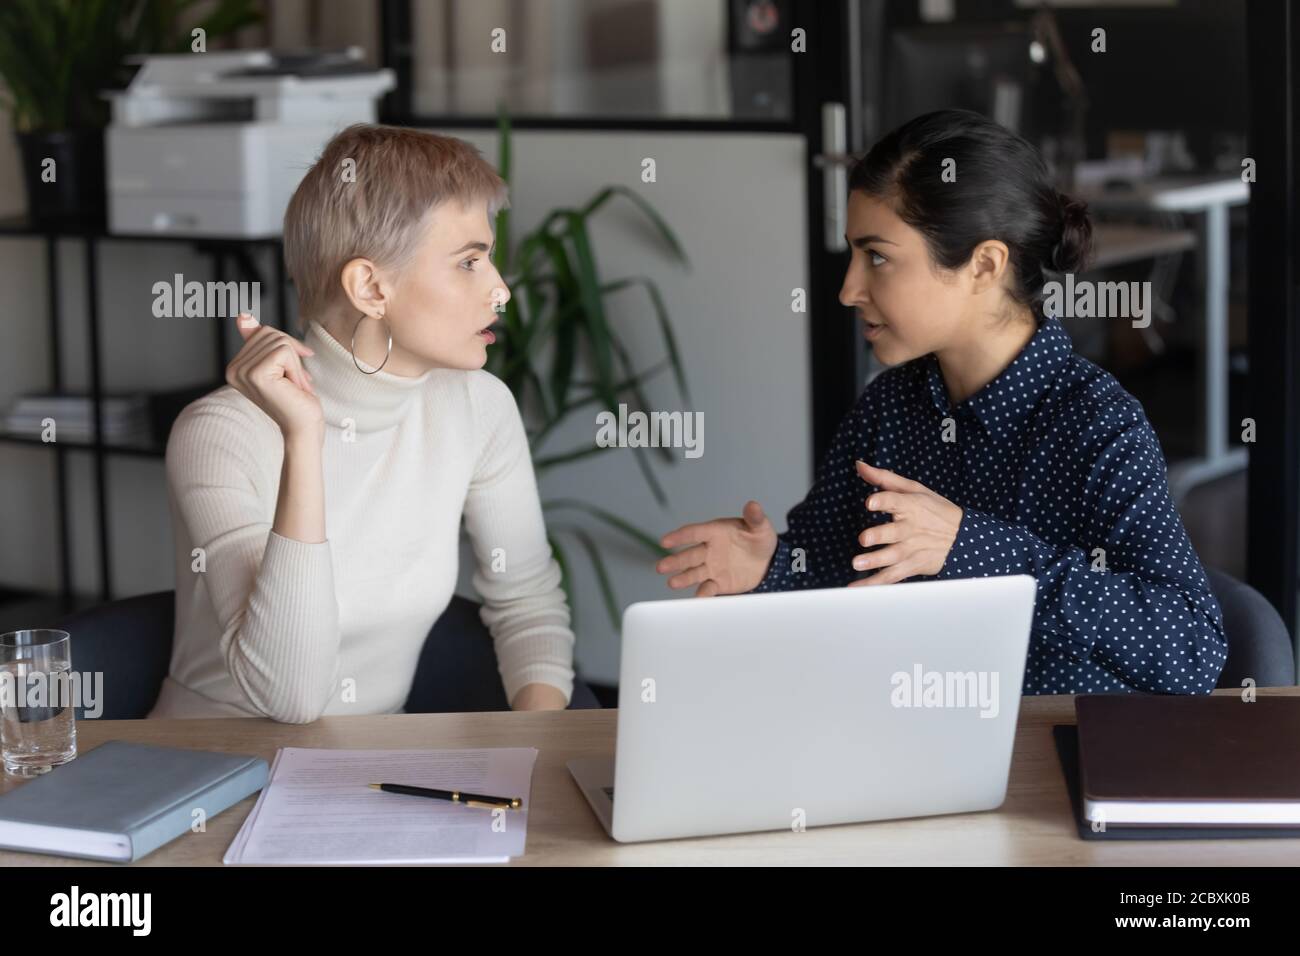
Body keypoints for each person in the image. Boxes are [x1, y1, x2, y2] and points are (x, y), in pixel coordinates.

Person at [655, 109, 1227, 695]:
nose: (849, 289)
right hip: (903, 741)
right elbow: (834, 575)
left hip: (1060, 757)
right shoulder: (889, 407)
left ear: (984, 265)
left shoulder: (1097, 424)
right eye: (853, 255)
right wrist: (771, 565)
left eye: (877, 256)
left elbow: (1190, 650)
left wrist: (968, 546)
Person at [150, 124, 580, 721]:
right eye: (469, 263)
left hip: (370, 782)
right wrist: (304, 438)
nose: (502, 292)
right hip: (209, 780)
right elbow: (292, 698)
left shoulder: (480, 408)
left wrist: (537, 753)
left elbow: (528, 603)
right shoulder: (220, 433)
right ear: (371, 287)